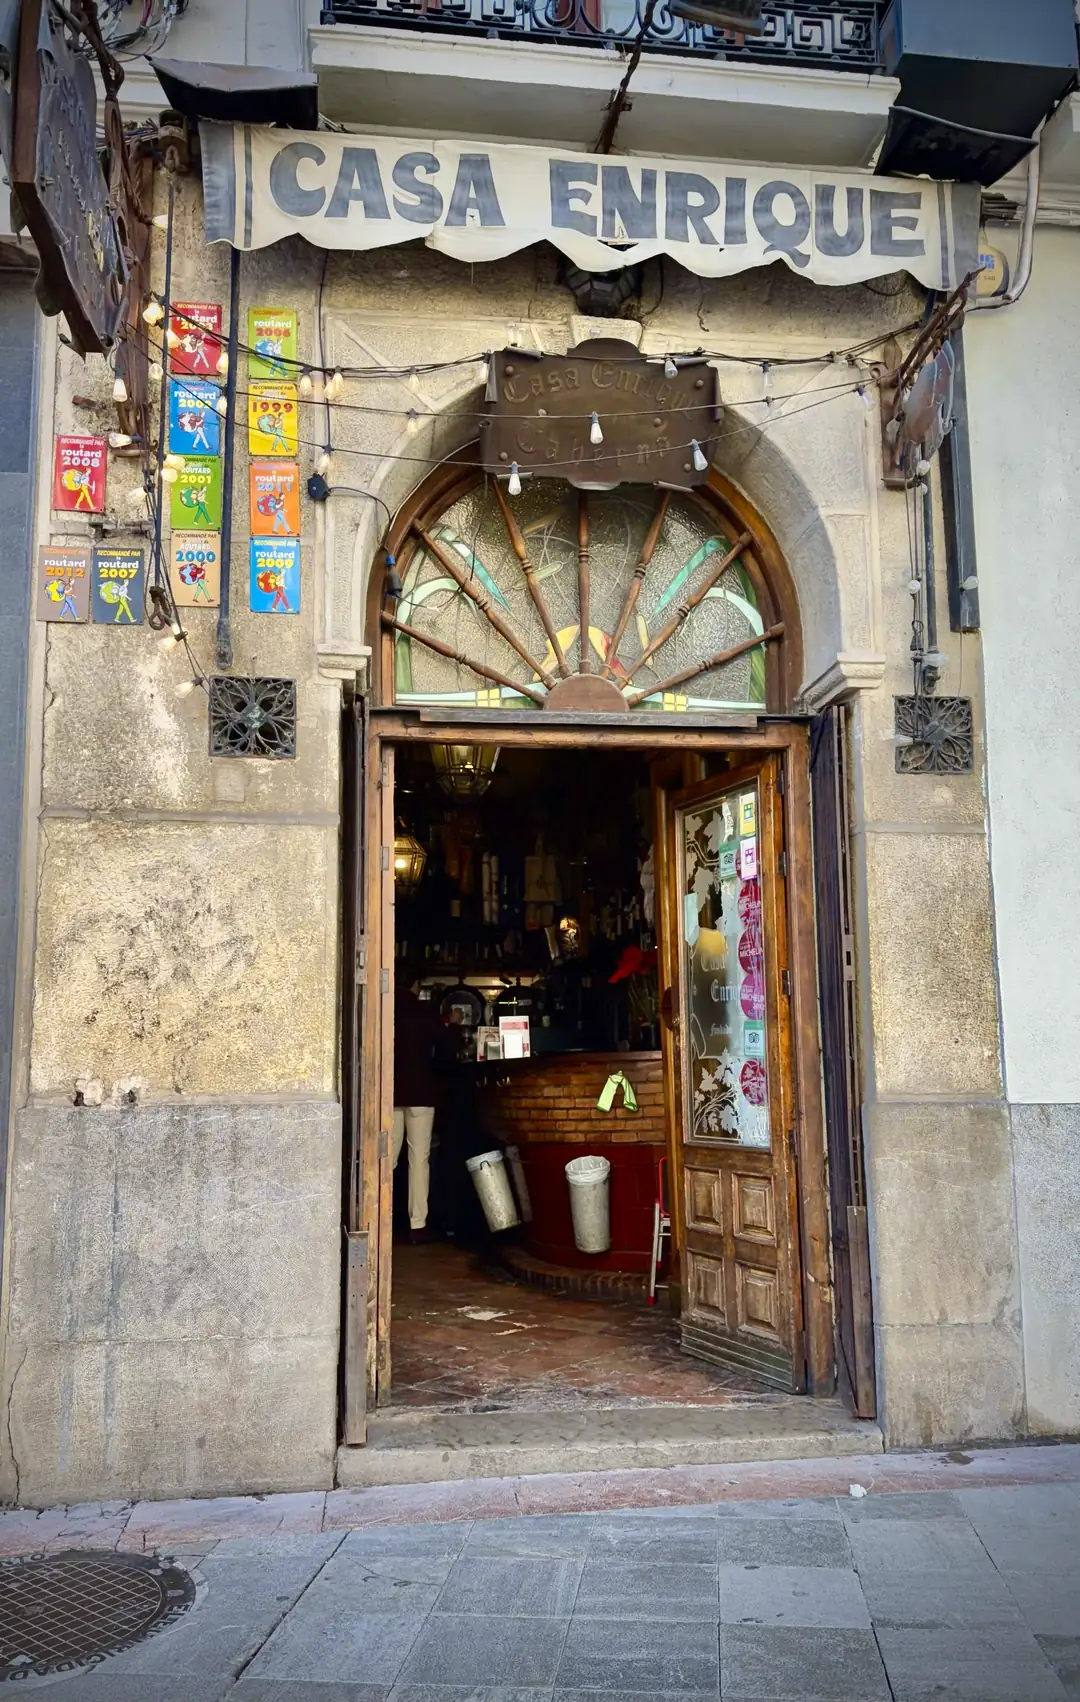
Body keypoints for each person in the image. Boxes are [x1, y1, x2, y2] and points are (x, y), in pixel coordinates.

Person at [392, 978, 447, 1242]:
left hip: (389, 1095)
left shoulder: (384, 1008)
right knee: (418, 1160)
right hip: (422, 1094)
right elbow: (447, 1046)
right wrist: (454, 1025)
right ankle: (417, 1225)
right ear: (416, 985)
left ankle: (380, 1216)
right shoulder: (424, 1011)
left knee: (385, 1160)